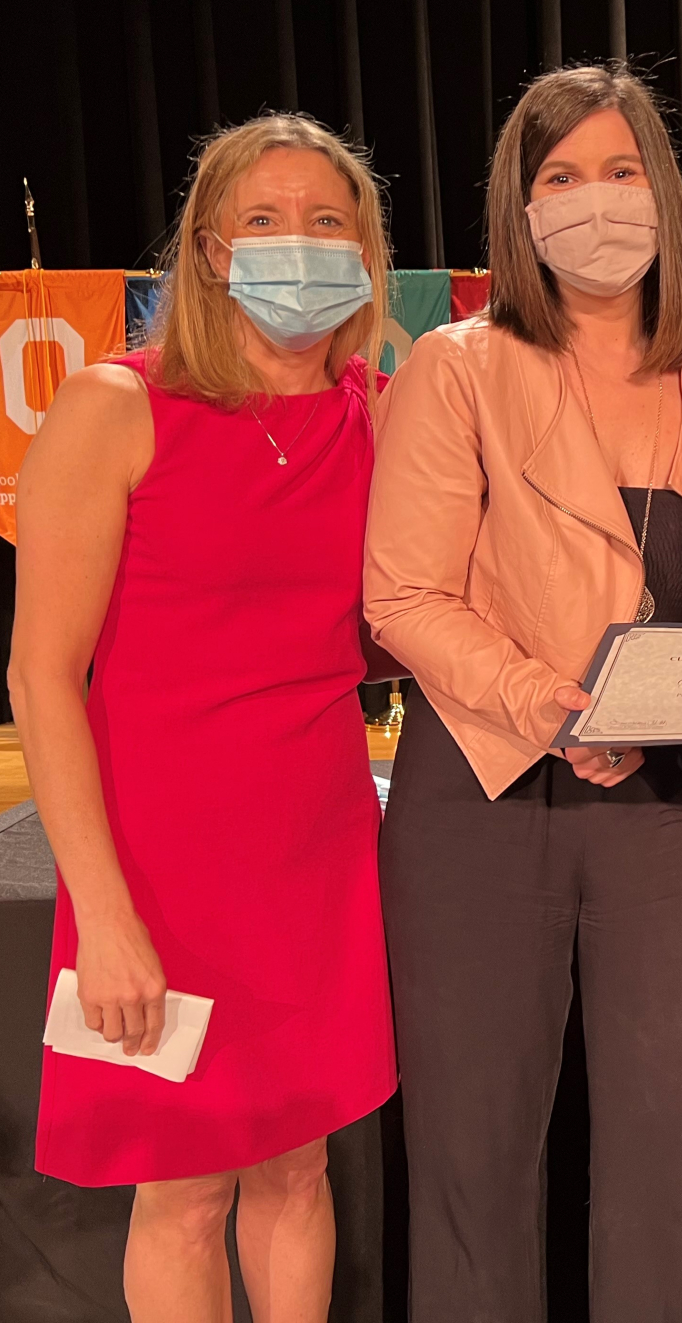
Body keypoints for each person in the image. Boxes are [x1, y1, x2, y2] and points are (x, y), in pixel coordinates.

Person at [363, 66, 682, 1320]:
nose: (594, 202)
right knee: (474, 1155)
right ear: (519, 210)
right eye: (559, 179)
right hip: (485, 798)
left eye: (620, 170)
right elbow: (404, 597)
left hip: (674, 810)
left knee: (679, 1149)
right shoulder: (457, 365)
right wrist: (557, 710)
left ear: (665, 194)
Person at [12, 114, 397, 1322]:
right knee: (183, 1192)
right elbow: (41, 678)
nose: (300, 243)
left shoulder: (377, 415)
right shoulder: (114, 406)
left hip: (319, 858)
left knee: (297, 1166)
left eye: (327, 221)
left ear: (367, 249)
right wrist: (106, 917)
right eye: (266, 220)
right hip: (159, 871)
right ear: (210, 248)